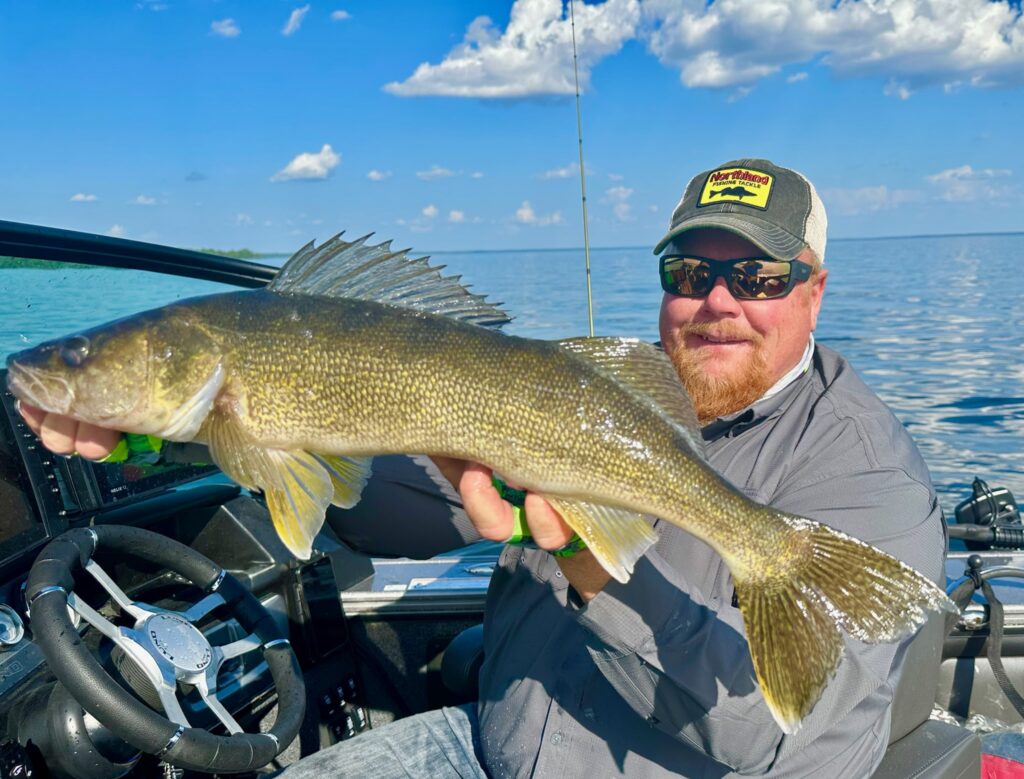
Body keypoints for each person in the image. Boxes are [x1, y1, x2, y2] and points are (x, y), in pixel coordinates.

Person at [19, 158, 946, 777]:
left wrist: (592, 563)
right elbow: (408, 516)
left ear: (815, 288)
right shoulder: (626, 394)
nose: (714, 303)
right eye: (686, 270)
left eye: (757, 278)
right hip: (491, 746)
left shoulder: (871, 480)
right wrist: (227, 441)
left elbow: (770, 744)